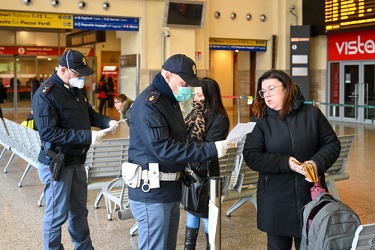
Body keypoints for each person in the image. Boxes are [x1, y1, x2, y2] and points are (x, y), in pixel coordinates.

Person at [128, 54, 229, 250]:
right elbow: (164, 149)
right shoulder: (151, 104)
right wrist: (210, 148)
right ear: (167, 76)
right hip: (152, 192)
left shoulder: (169, 101)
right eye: (184, 83)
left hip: (168, 188)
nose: (188, 89)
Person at [242, 69, 341, 250]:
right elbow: (251, 155)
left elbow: (332, 144)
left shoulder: (312, 114)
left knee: (310, 245)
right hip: (276, 200)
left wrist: (316, 163)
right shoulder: (261, 121)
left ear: (287, 88)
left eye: (271, 89)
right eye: (263, 92)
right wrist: (285, 162)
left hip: (310, 196)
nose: (267, 95)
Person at [32, 49, 117, 250]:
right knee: (56, 215)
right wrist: (88, 136)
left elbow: (89, 114)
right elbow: (49, 134)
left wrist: (107, 121)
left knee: (79, 211)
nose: (81, 79)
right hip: (58, 163)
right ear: (63, 69)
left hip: (77, 161)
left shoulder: (76, 89)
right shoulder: (46, 94)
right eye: (78, 74)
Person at [183, 77, 229, 250]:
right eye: (195, 95)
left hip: (207, 174)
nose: (196, 99)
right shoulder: (193, 115)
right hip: (190, 171)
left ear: (210, 96)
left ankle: (212, 245)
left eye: (200, 95)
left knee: (205, 212)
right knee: (192, 209)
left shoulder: (220, 119)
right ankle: (189, 246)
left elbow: (208, 147)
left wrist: (186, 146)